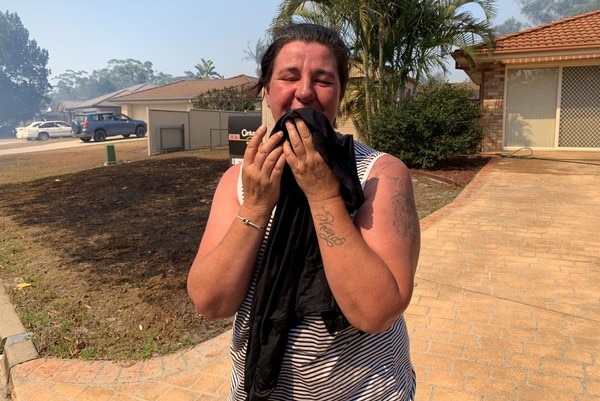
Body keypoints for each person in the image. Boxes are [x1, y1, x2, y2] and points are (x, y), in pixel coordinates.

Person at [187, 23, 420, 401]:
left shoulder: (381, 175)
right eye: (289, 76)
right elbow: (210, 301)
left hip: (367, 391)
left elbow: (376, 312)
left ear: (340, 94)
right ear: (266, 89)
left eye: (324, 79)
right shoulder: (240, 180)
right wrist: (258, 204)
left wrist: (324, 196)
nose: (306, 91)